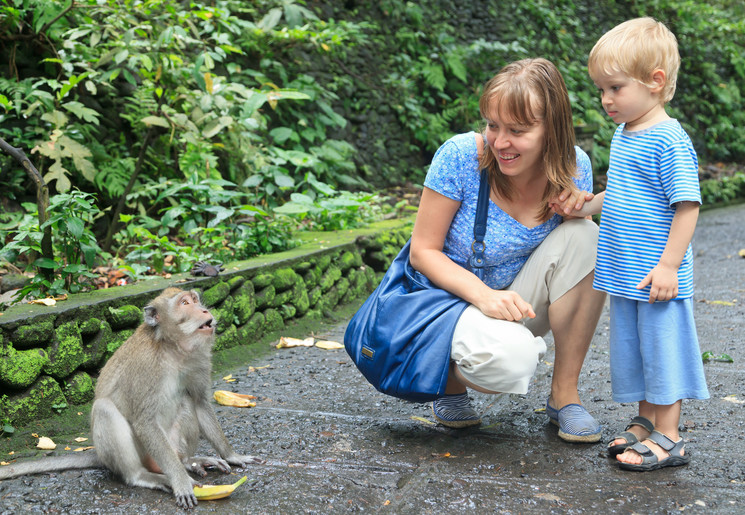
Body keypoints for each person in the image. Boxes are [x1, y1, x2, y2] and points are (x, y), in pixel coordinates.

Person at [409, 57, 606, 443]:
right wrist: (485, 297)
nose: (500, 142)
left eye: (517, 130)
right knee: (512, 363)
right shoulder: (462, 156)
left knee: (587, 235)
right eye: (493, 125)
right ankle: (448, 379)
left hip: (518, 308)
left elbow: (575, 263)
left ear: (552, 129)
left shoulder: (573, 164)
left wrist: (580, 208)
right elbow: (422, 251)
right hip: (449, 308)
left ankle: (564, 395)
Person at [562, 17, 709, 470]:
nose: (606, 100)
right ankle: (646, 420)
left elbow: (687, 206)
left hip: (657, 274)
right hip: (626, 271)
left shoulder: (668, 139)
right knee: (638, 351)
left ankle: (670, 435)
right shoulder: (626, 132)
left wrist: (668, 266)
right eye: (601, 89)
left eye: (615, 88)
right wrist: (586, 206)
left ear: (655, 81)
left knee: (663, 352)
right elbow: (626, 194)